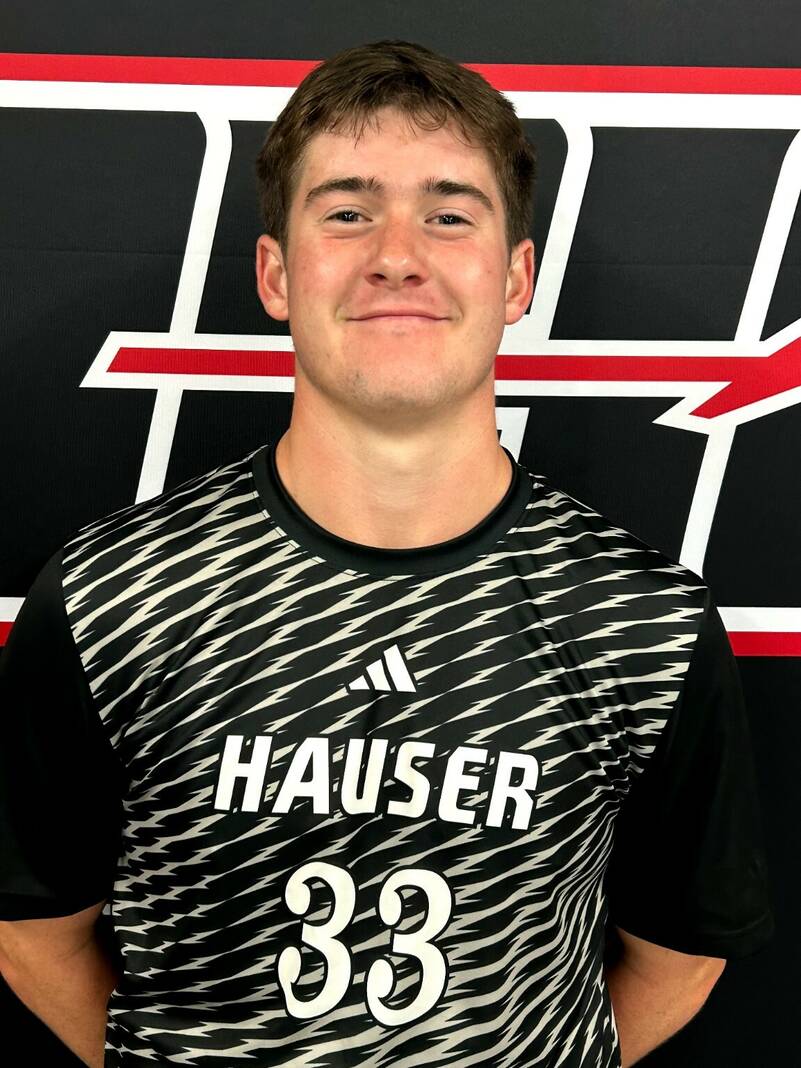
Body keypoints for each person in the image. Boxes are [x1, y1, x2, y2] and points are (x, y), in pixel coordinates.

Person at [0, 38, 774, 1068]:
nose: (397, 255)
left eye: (450, 215)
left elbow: (680, 955)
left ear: (515, 277)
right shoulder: (117, 596)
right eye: (346, 212)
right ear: (275, 273)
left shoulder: (641, 622)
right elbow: (31, 933)